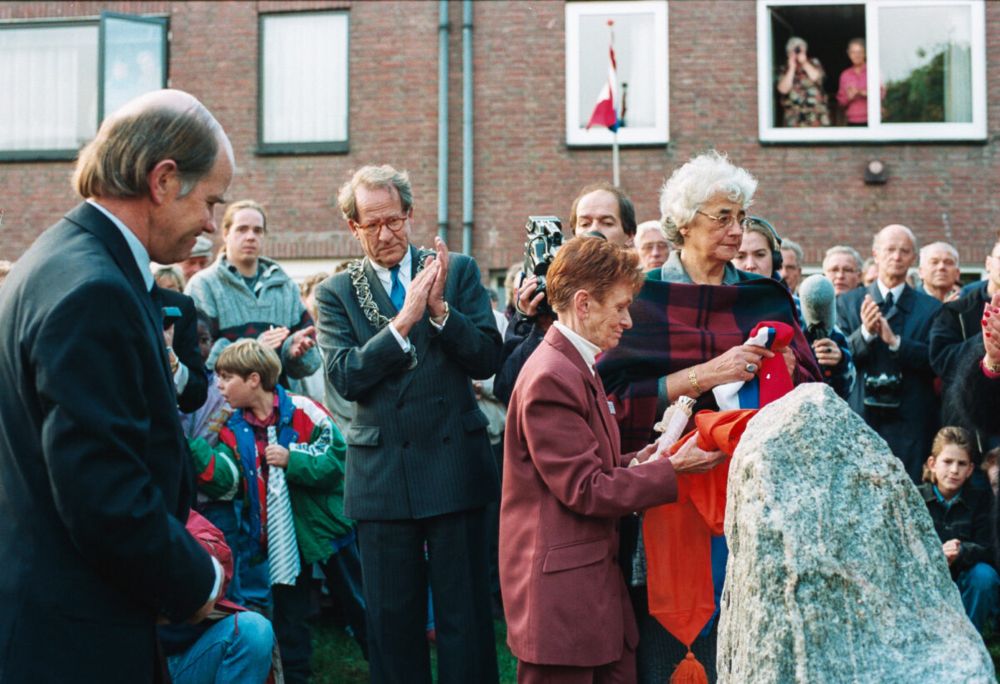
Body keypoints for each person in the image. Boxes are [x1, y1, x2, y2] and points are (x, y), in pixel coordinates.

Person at [0, 89, 230, 681]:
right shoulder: (95, 291)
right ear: (163, 180)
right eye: (210, 201)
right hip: (74, 636)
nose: (212, 224)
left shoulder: (50, 261)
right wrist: (198, 577)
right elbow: (101, 493)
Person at [627, 152, 821, 682]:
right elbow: (614, 399)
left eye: (741, 217)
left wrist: (790, 370)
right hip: (674, 489)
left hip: (754, 488)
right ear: (684, 223)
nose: (738, 230)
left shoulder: (766, 296)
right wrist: (705, 375)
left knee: (753, 618)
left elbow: (811, 394)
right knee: (677, 638)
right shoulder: (643, 299)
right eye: (723, 218)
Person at [500, 236, 727, 683]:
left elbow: (590, 464)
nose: (627, 321)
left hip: (590, 598)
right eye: (620, 307)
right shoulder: (552, 375)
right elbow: (585, 489)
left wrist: (641, 457)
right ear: (583, 304)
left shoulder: (573, 362)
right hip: (562, 606)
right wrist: (672, 470)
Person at [315, 164, 502, 684]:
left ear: (410, 215)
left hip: (454, 468)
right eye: (371, 225)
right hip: (382, 477)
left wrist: (440, 311)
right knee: (393, 626)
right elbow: (345, 376)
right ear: (353, 228)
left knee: (464, 619)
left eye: (393, 221)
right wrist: (402, 324)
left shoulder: (456, 270)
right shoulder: (335, 293)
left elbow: (488, 358)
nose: (385, 234)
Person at [190, 339, 364, 681]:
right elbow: (229, 481)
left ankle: (390, 666)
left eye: (226, 378)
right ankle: (296, 675)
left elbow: (338, 460)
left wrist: (292, 459)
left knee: (358, 603)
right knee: (289, 615)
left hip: (327, 532)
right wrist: (192, 449)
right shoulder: (232, 430)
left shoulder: (303, 409)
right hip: (283, 542)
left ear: (254, 379)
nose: (220, 387)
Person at [495, 182, 638, 404]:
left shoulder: (643, 295)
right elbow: (508, 388)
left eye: (606, 222)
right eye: (585, 223)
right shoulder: (550, 296)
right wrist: (536, 323)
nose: (594, 231)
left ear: (629, 235)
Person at [837, 224, 942, 482]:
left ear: (913, 258)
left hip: (912, 422)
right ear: (876, 253)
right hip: (861, 416)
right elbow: (837, 359)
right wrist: (866, 334)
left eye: (904, 251)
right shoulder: (848, 302)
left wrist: (896, 342)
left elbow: (937, 361)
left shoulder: (932, 308)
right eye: (890, 250)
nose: (896, 257)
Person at [185, 200, 320, 388]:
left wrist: (294, 352)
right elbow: (196, 356)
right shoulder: (203, 286)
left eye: (257, 230)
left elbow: (311, 364)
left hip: (280, 407)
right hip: (224, 409)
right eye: (242, 229)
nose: (250, 237)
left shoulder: (286, 287)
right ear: (225, 234)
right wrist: (255, 349)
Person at [918, 426, 998, 632]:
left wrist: (962, 551)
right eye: (947, 462)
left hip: (964, 579)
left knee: (984, 575)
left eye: (961, 464)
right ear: (932, 464)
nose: (954, 470)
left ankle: (971, 638)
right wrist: (936, 554)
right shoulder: (915, 498)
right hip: (923, 578)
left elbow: (988, 548)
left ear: (970, 469)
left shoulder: (980, 500)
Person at [931, 236, 1000, 459]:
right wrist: (987, 339)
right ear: (988, 263)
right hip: (967, 435)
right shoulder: (956, 309)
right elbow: (941, 361)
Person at [776, 36, 830, 127]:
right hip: (794, 118)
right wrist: (791, 68)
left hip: (815, 116)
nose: (797, 53)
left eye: (800, 50)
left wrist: (804, 63)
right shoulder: (784, 68)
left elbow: (817, 78)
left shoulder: (814, 63)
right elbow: (783, 90)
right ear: (788, 53)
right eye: (794, 50)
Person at [836, 38, 869, 126]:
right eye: (853, 52)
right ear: (848, 54)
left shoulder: (872, 71)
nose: (856, 55)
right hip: (853, 121)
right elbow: (841, 102)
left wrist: (861, 92)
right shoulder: (845, 75)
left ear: (865, 53)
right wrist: (849, 98)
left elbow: (882, 94)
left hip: (872, 120)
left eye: (859, 52)